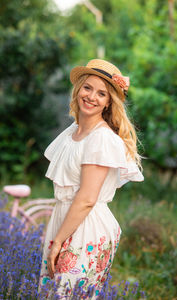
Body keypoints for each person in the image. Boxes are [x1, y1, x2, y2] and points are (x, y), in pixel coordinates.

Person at [38, 59, 144, 299]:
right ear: (78, 90)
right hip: (65, 220)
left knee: (66, 295)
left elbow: (86, 198)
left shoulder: (101, 139)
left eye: (102, 93)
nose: (92, 97)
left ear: (108, 102)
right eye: (88, 88)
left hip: (86, 226)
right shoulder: (71, 133)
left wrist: (58, 243)